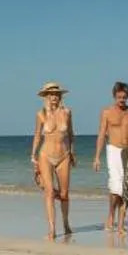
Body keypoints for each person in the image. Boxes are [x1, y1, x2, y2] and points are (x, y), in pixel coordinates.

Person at [94, 81, 128, 235]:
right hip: (113, 150)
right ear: (114, 96)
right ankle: (111, 214)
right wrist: (97, 157)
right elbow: (101, 134)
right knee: (115, 187)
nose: (122, 100)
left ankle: (121, 225)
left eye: (124, 97)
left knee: (126, 187)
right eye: (119, 97)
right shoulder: (106, 112)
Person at [30, 81, 76, 239]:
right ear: (45, 97)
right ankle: (52, 229)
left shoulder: (67, 113)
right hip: (45, 156)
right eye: (51, 94)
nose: (54, 97)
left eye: (57, 94)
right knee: (49, 192)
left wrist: (72, 153)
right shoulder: (40, 114)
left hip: (63, 156)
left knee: (64, 194)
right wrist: (33, 156)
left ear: (60, 96)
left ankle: (66, 222)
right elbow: (37, 135)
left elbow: (70, 134)